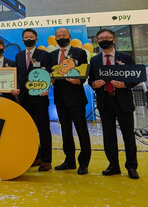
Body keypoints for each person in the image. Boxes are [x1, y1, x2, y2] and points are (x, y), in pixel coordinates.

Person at [88, 29, 139, 179]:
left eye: (107, 37)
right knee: (108, 136)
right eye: (101, 38)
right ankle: (113, 165)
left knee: (128, 136)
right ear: (97, 41)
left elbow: (135, 77)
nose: (104, 40)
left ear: (114, 40)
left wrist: (125, 84)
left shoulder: (126, 58)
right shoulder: (95, 60)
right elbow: (91, 79)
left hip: (123, 101)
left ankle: (131, 166)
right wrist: (94, 84)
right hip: (105, 102)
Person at [49, 28, 91, 175]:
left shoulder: (80, 52)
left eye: (63, 35)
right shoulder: (52, 55)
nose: (61, 37)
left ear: (70, 37)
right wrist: (49, 80)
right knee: (65, 131)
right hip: (60, 99)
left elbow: (85, 73)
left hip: (76, 98)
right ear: (55, 38)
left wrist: (78, 80)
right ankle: (69, 160)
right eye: (58, 36)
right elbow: (51, 74)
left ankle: (84, 163)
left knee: (82, 130)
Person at [15, 28, 53, 171]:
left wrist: (46, 88)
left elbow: (49, 73)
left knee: (43, 129)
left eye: (31, 37)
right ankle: (34, 156)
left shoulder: (44, 54)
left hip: (40, 97)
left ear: (36, 39)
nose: (28, 39)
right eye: (26, 37)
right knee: (28, 129)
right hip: (23, 98)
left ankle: (46, 160)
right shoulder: (18, 56)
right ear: (22, 40)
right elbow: (18, 76)